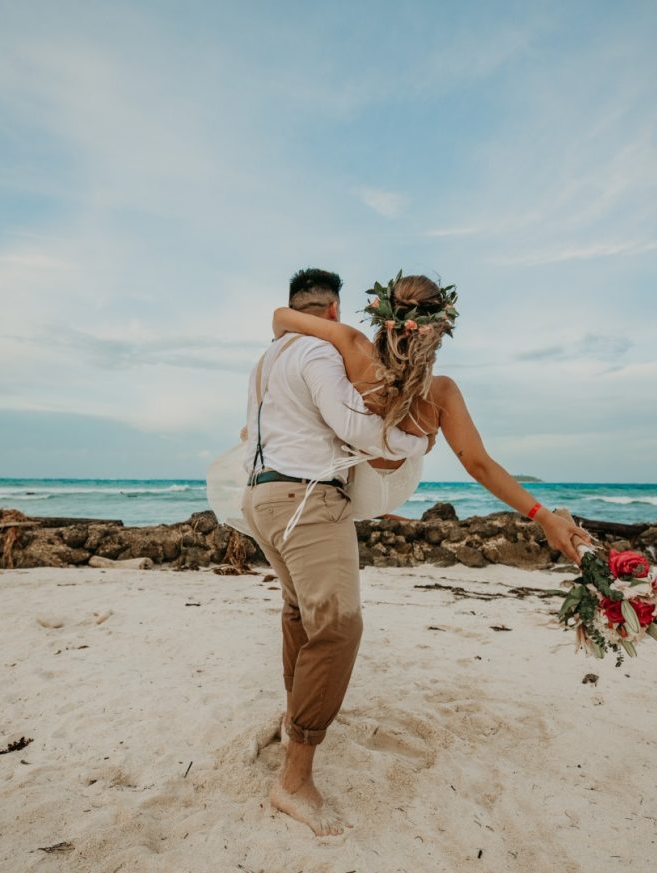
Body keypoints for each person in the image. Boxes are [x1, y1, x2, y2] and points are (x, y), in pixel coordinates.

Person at [240, 268, 432, 837]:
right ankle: (294, 779)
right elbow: (354, 427)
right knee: (340, 627)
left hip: (265, 498)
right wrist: (418, 437)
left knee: (301, 615)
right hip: (306, 500)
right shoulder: (318, 353)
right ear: (332, 312)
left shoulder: (268, 358)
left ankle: (291, 716)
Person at [271, 272, 592, 559]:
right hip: (399, 489)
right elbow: (480, 466)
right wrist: (545, 517)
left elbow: (281, 316)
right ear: (439, 327)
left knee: (328, 403)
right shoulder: (441, 391)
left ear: (383, 316)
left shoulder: (351, 344)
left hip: (356, 489)